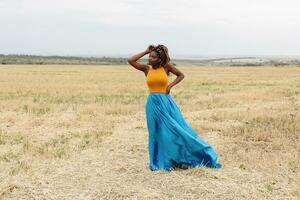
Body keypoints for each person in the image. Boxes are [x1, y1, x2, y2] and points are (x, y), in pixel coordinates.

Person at [127, 44, 222, 171]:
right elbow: (130, 60)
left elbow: (181, 75)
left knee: (175, 129)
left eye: (153, 57)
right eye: (149, 57)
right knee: (155, 132)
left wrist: (170, 86)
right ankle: (157, 161)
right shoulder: (146, 69)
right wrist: (146, 51)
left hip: (166, 102)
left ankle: (187, 154)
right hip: (152, 103)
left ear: (160, 59)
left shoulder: (166, 67)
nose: (150, 59)